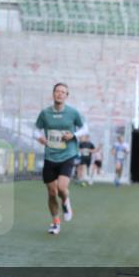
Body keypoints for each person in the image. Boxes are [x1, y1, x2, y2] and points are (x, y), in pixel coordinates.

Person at [35, 83, 86, 234]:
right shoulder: (45, 113)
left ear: (66, 96)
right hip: (50, 156)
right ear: (53, 94)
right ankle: (55, 222)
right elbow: (36, 129)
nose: (60, 94)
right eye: (57, 91)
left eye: (63, 92)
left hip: (67, 154)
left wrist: (74, 135)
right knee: (51, 192)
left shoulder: (73, 113)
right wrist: (40, 138)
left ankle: (66, 202)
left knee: (62, 188)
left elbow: (85, 128)